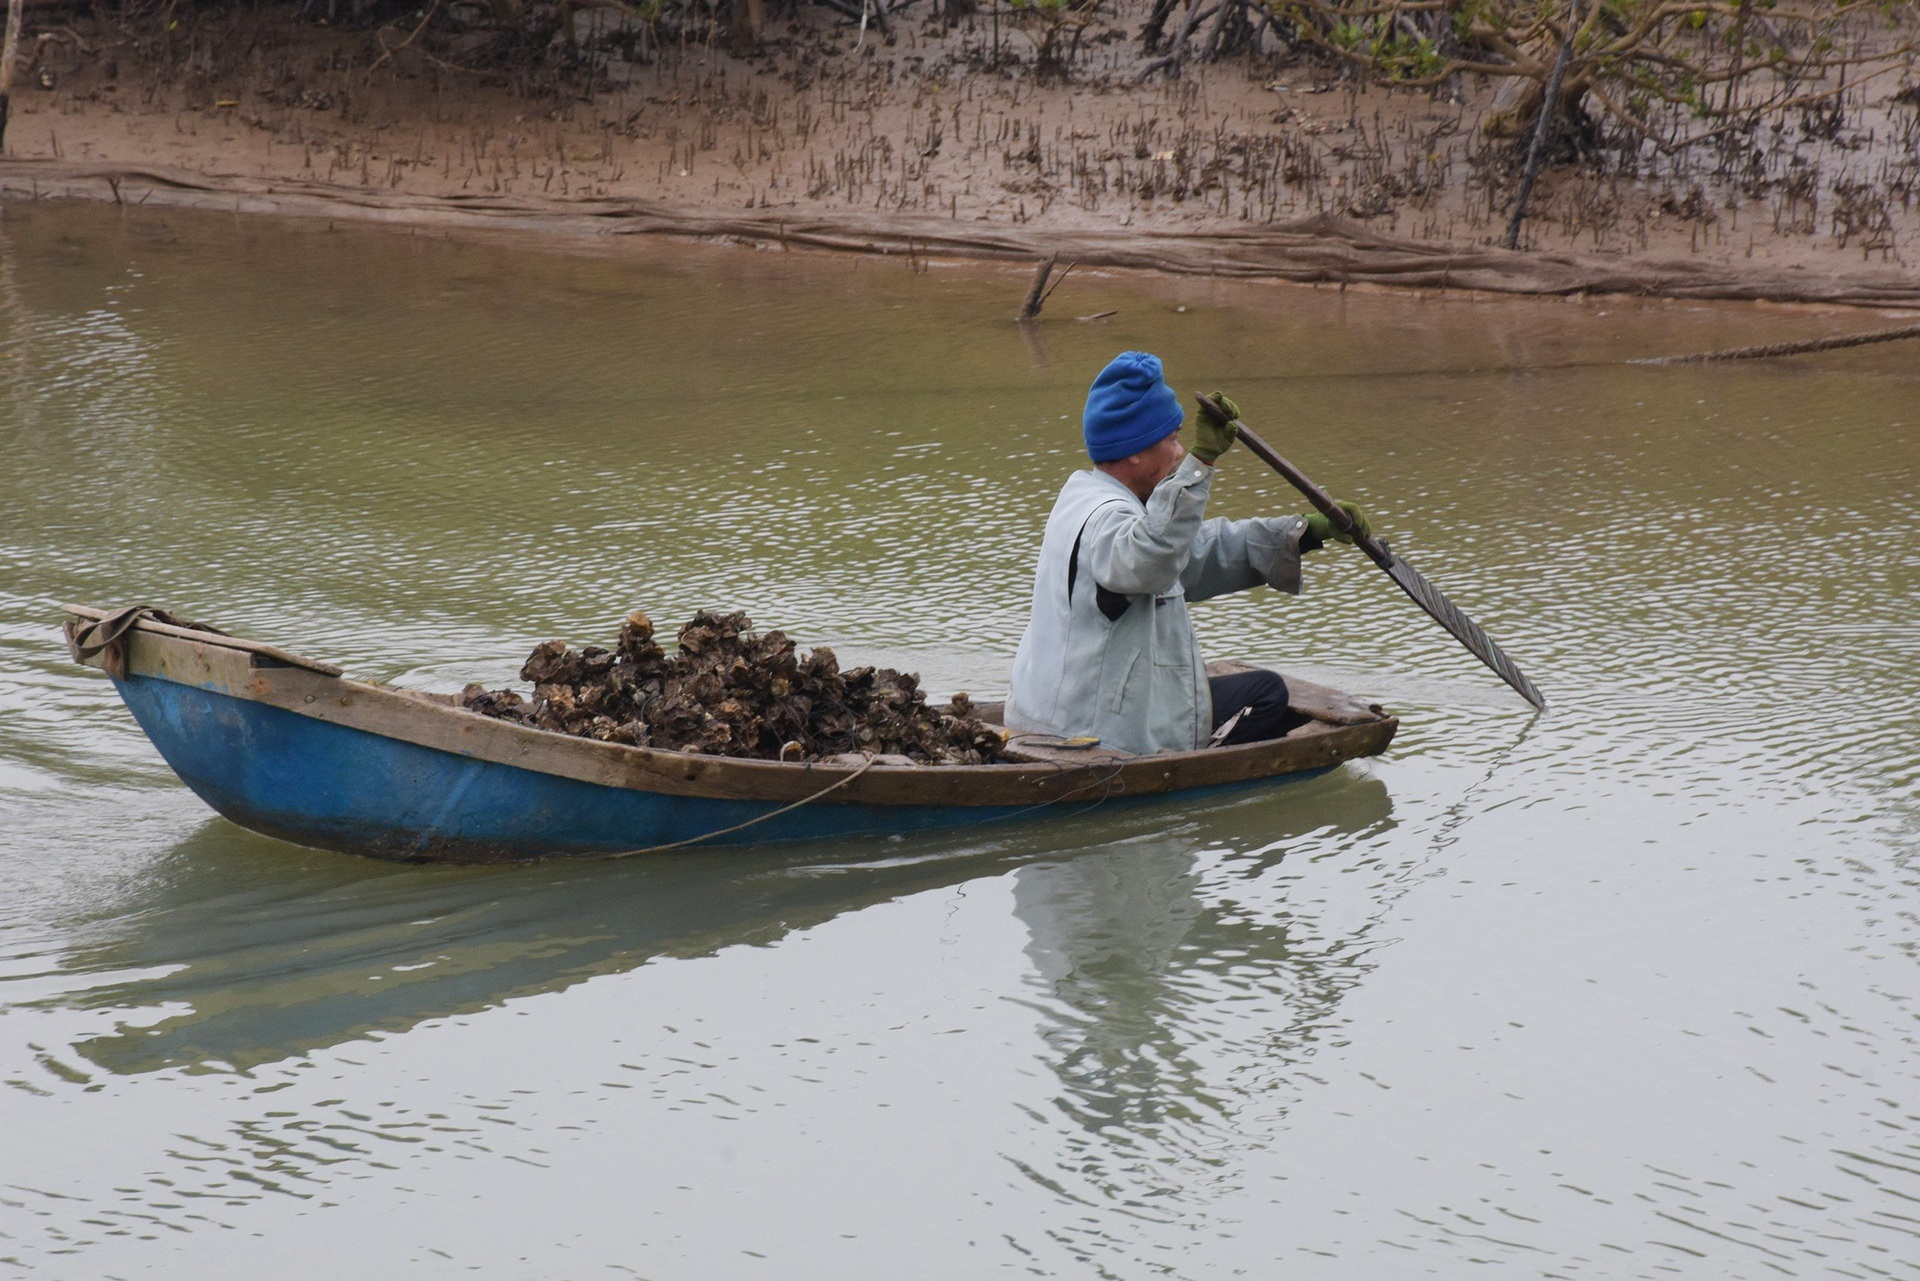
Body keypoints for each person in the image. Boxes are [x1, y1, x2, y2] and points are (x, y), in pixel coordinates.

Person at [1004, 351, 1370, 756]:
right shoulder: (1105, 520)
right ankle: (1197, 772)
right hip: (1091, 732)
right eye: (1173, 440)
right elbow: (1152, 557)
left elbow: (1193, 554)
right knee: (1266, 695)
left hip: (1051, 713)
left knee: (1259, 689)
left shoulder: (1082, 497)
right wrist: (1203, 462)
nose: (1180, 453)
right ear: (1134, 452)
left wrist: (1305, 531)